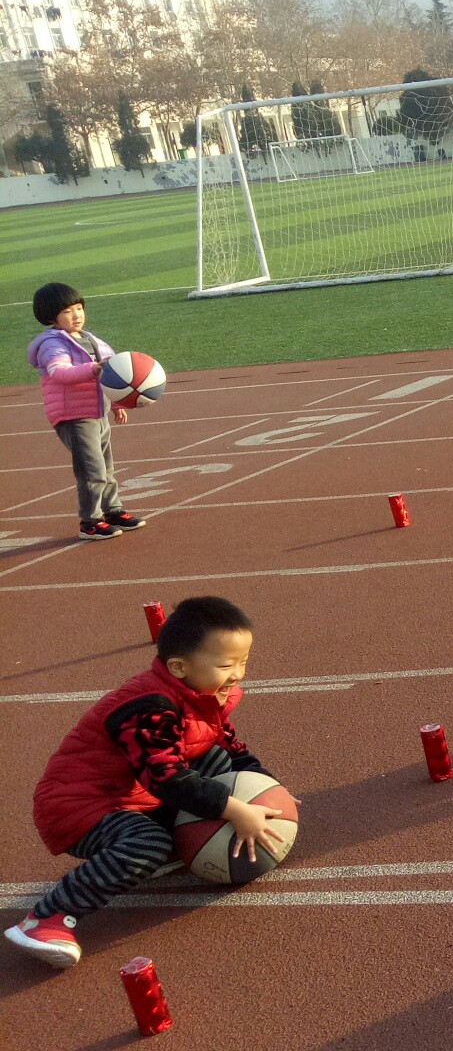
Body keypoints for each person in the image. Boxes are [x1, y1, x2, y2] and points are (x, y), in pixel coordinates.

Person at [7, 597, 287, 969]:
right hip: (80, 806)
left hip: (133, 791)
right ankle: (47, 917)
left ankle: (166, 846)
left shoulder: (202, 694)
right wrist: (236, 810)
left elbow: (230, 747)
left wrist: (270, 791)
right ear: (179, 667)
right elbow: (166, 779)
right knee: (148, 842)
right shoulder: (147, 707)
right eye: (226, 665)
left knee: (216, 760)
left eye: (243, 662)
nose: (237, 674)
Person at [27, 283, 143, 541]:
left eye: (79, 308)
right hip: (74, 416)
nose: (76, 315)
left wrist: (117, 403)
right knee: (92, 471)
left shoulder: (89, 339)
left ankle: (112, 511)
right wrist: (93, 369)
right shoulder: (52, 344)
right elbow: (60, 372)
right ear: (50, 316)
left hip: (97, 413)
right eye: (67, 311)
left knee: (106, 468)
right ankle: (90, 521)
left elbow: (111, 371)